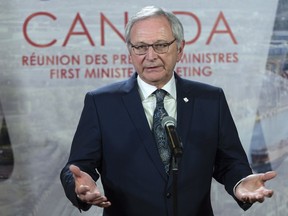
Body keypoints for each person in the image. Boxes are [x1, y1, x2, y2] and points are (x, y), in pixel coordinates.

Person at [60, 5, 277, 216]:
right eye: (141, 47)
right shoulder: (101, 103)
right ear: (130, 51)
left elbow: (229, 162)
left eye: (161, 45)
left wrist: (241, 182)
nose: (151, 55)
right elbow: (79, 166)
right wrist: (80, 183)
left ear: (180, 49)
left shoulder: (210, 100)